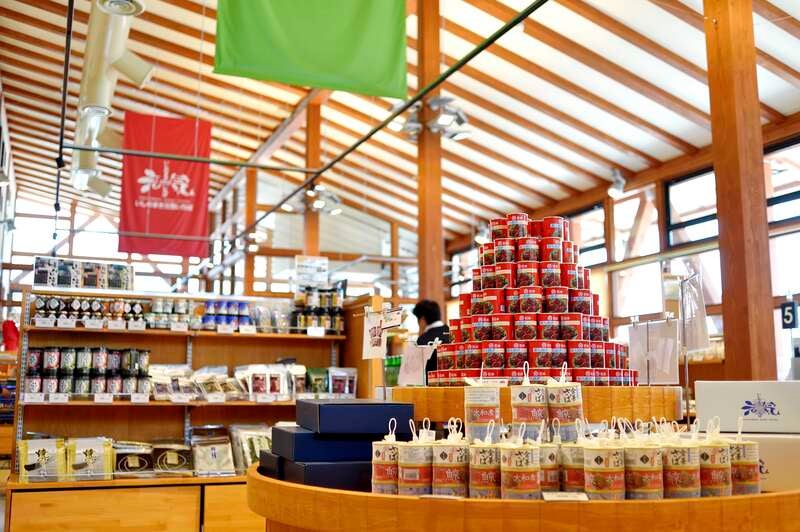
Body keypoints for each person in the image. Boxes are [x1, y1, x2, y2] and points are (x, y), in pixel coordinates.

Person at [412, 300, 449, 383]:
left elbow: (416, 372)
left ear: (422, 320)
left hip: (432, 387)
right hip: (456, 385)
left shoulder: (422, 340)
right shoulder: (452, 332)